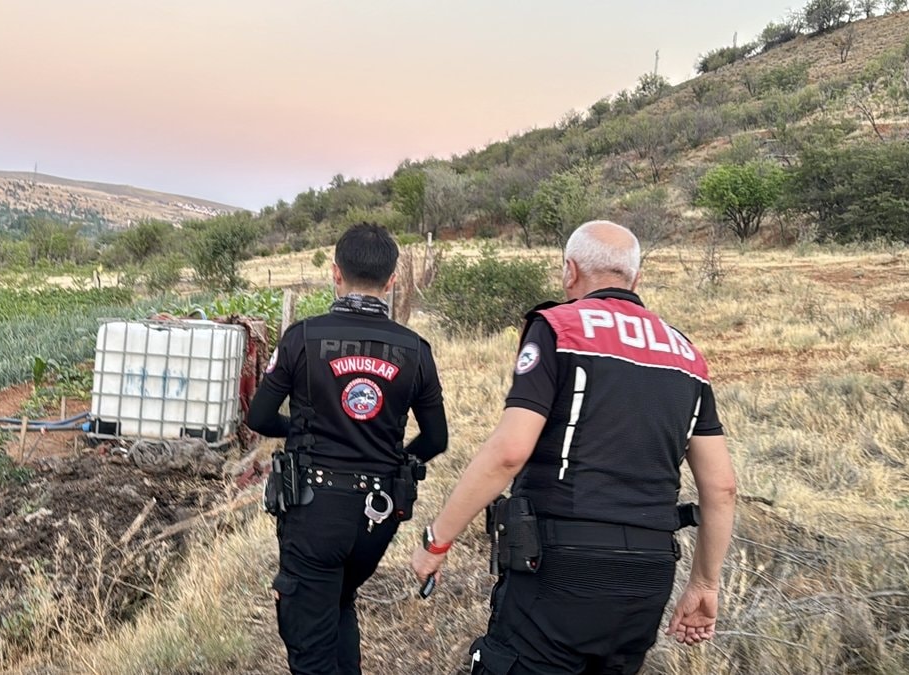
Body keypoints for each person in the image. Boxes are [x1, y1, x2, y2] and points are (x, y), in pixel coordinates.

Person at [411, 221, 737, 674]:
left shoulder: (559, 328)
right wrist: (704, 583)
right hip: (649, 573)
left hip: (560, 568)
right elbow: (721, 488)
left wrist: (437, 540)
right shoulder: (687, 354)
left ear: (570, 271)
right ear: (635, 279)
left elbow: (509, 452)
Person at [248, 222, 449, 675]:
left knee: (309, 639)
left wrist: (303, 429)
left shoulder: (302, 337)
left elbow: (258, 418)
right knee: (340, 601)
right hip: (378, 516)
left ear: (335, 273)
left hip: (314, 511)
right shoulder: (416, 350)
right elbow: (436, 439)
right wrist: (394, 462)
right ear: (392, 281)